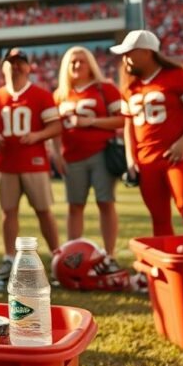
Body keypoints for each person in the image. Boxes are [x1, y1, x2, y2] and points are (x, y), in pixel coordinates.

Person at [113, 29, 183, 236]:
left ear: (147, 52)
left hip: (180, 156)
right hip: (147, 160)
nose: (125, 58)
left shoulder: (177, 76)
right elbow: (129, 124)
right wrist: (131, 159)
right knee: (159, 217)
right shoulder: (130, 86)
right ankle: (166, 265)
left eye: (129, 52)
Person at [0, 47, 62, 280]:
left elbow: (56, 126)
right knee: (8, 212)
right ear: (3, 66)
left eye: (20, 62)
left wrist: (36, 136)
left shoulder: (41, 95)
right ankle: (8, 258)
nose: (16, 66)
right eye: (11, 62)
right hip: (6, 163)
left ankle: (56, 256)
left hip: (34, 162)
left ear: (29, 67)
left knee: (44, 210)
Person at [51, 47, 124, 267]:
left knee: (105, 202)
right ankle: (72, 255)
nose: (77, 66)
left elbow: (122, 120)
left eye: (81, 61)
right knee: (75, 206)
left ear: (90, 64)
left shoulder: (106, 88)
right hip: (71, 156)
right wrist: (57, 154)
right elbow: (54, 128)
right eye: (72, 62)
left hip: (101, 152)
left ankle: (109, 254)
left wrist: (91, 122)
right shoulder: (60, 94)